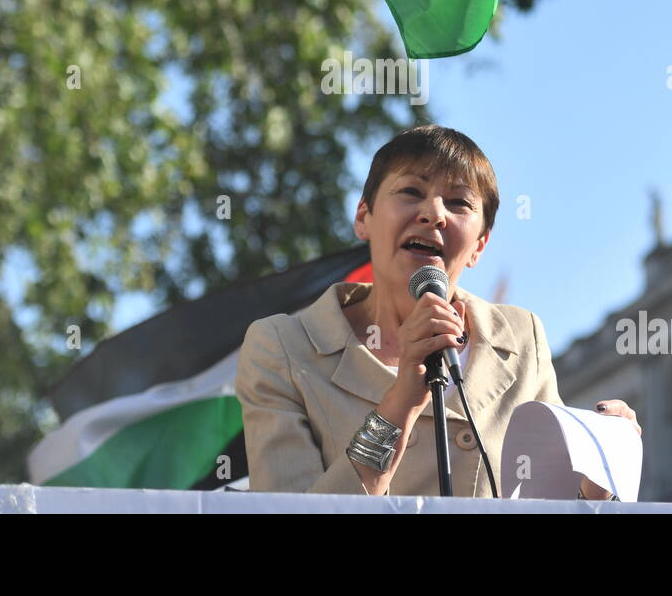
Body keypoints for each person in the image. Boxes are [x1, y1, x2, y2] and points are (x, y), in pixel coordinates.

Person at [234, 124, 641, 498]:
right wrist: (399, 406)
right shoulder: (282, 348)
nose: (434, 213)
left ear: (480, 245)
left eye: (459, 202)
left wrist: (597, 478)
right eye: (411, 192)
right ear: (364, 218)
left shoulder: (521, 338)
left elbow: (545, 503)